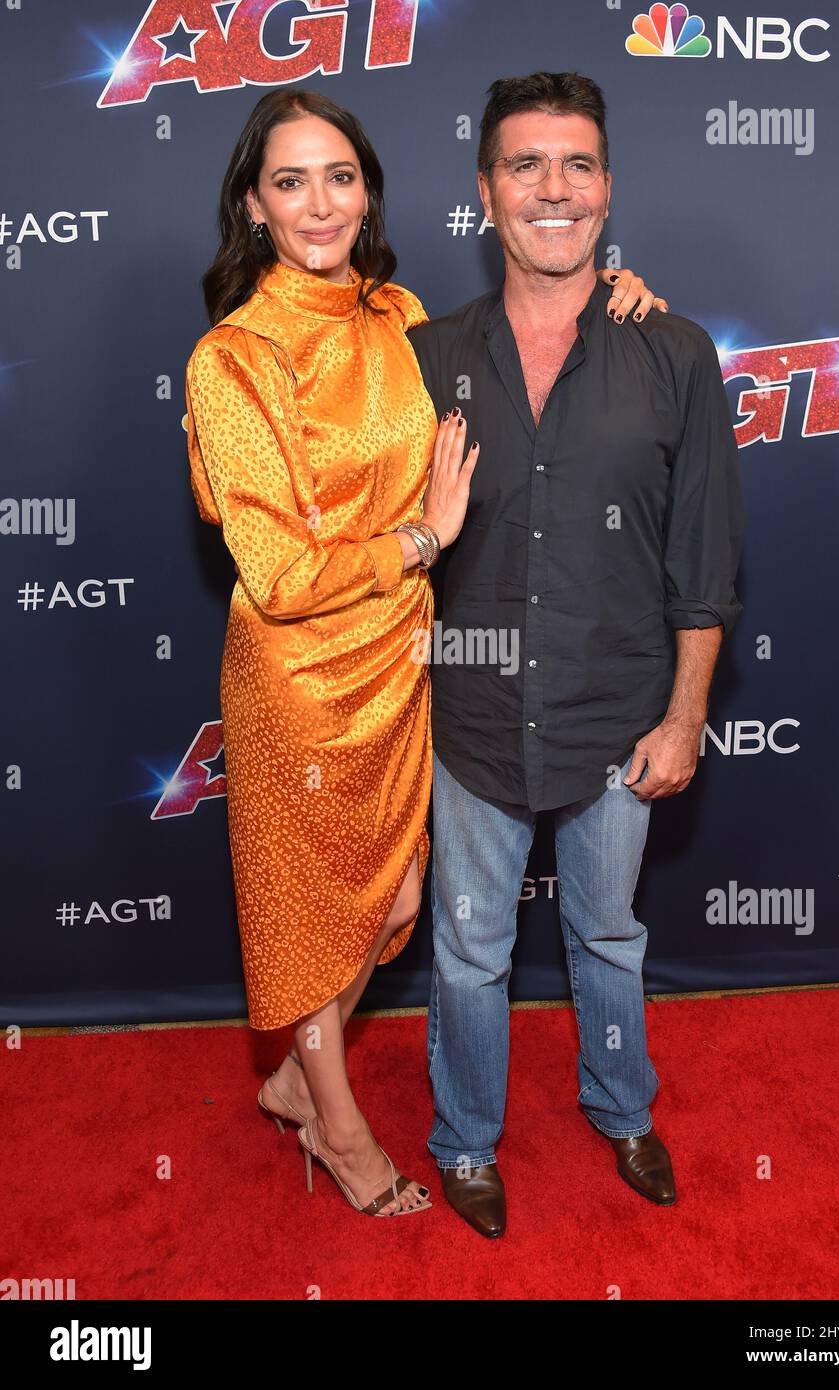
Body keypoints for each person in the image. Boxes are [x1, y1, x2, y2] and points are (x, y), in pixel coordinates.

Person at [184, 86, 663, 1219]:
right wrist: (420, 539)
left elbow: (521, 344)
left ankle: (295, 1081)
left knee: (393, 901)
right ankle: (337, 1126)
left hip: (404, 666)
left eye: (339, 177)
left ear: (369, 194)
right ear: (253, 205)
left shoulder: (394, 314)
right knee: (315, 915)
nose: (319, 204)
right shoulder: (233, 357)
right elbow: (280, 575)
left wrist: (617, 297)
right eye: (290, 181)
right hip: (302, 679)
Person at [407, 72, 745, 1238]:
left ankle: (621, 1108)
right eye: (525, 165)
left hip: (618, 716)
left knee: (608, 934)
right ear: (485, 192)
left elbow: (703, 559)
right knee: (468, 949)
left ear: (607, 187)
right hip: (471, 718)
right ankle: (464, 1139)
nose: (553, 189)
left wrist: (685, 716)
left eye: (577, 165)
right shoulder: (422, 357)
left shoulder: (675, 354)